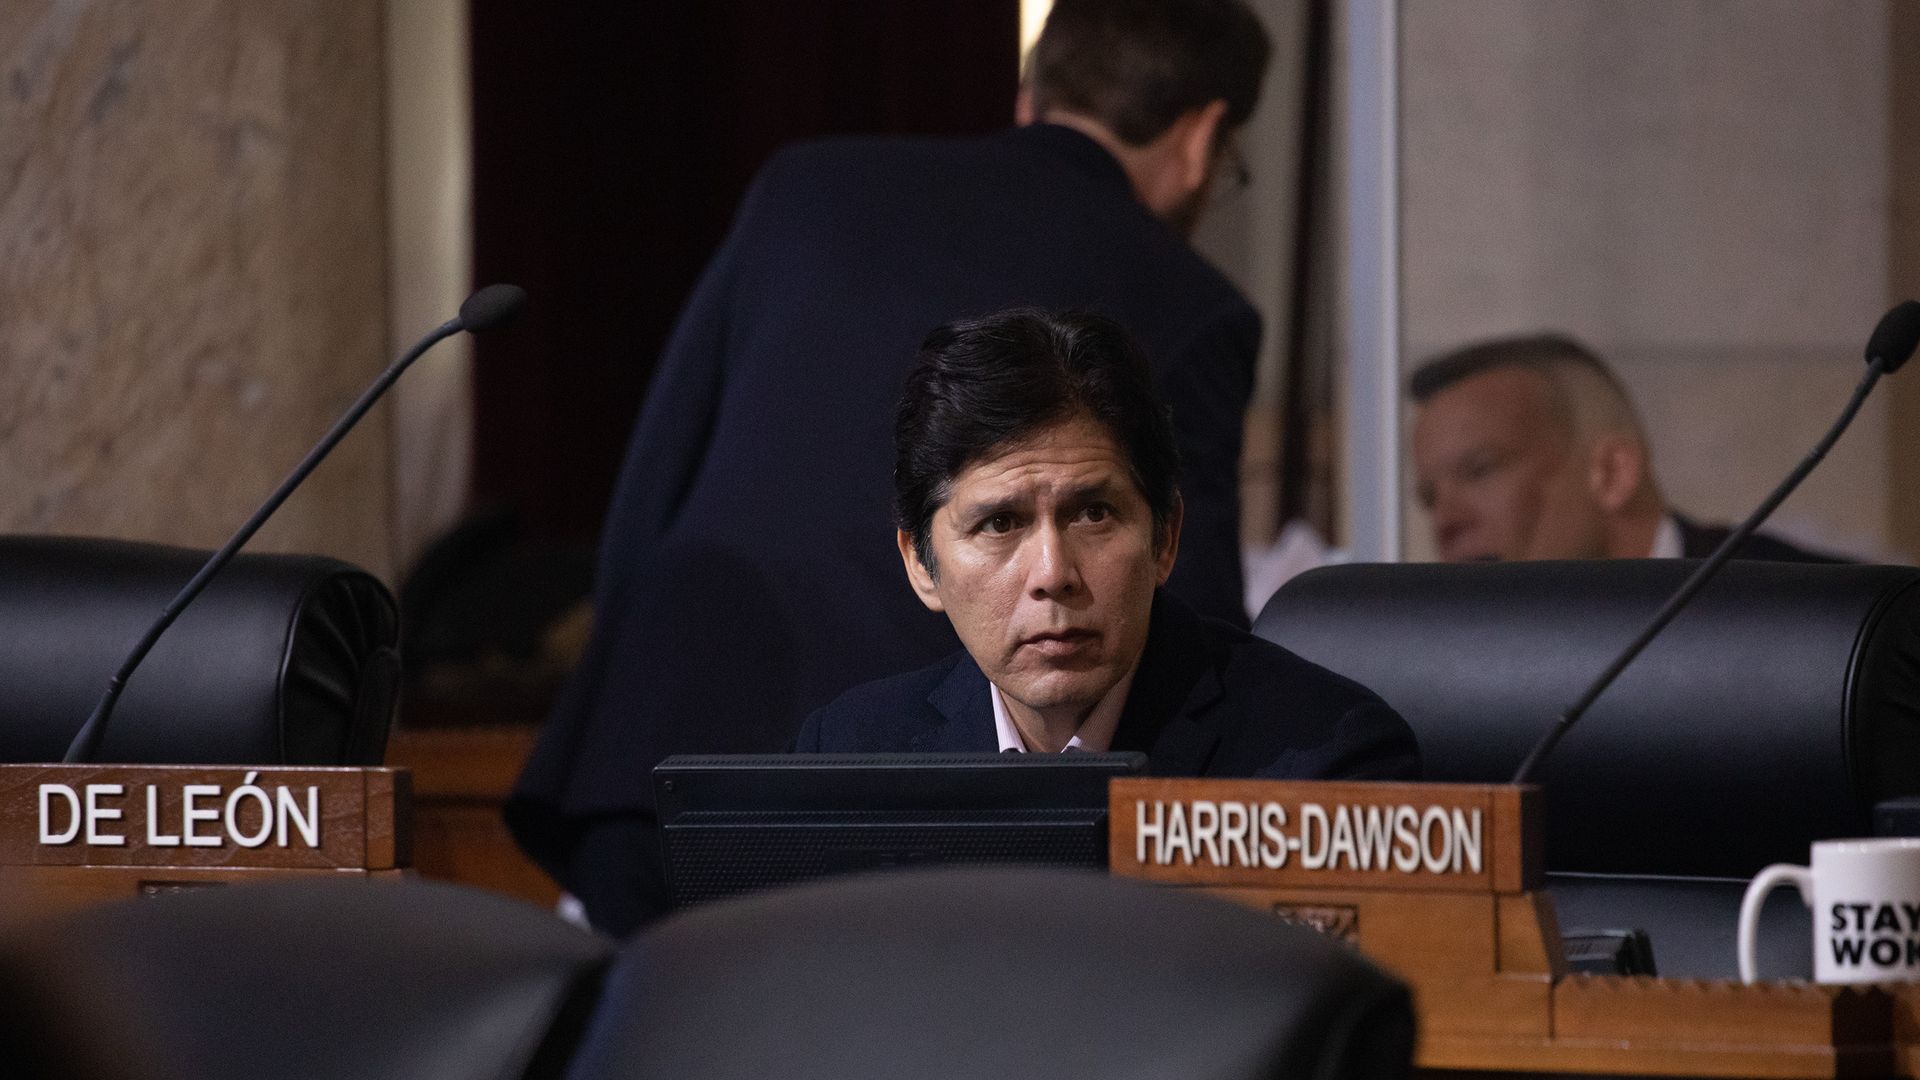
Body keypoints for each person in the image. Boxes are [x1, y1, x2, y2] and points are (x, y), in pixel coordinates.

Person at [510, 0, 1282, 933]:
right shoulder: (1190, 300)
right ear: (1202, 141)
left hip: (663, 769)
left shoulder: (806, 187)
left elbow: (653, 486)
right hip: (931, 835)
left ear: (1031, 95)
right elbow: (1178, 615)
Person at [797, 309, 1419, 784]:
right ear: (919, 565)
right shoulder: (850, 757)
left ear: (1165, 538)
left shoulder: (1325, 759)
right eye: (1000, 524)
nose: (1052, 573)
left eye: (1093, 514)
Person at [1409, 333, 1846, 564]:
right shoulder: (1453, 663)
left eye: (1480, 470)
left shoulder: (1808, 613)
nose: (1446, 521)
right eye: (1429, 497)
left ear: (1613, 473)